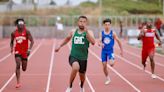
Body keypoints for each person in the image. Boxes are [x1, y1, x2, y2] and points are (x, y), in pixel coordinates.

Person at [55, 16, 95, 92]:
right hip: (73, 56)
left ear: (86, 23)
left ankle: (81, 86)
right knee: (75, 67)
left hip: (83, 58)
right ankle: (70, 86)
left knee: (82, 77)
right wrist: (60, 46)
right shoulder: (73, 31)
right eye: (80, 21)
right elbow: (67, 39)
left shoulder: (90, 32)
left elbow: (93, 42)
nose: (82, 23)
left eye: (84, 22)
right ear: (78, 22)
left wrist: (87, 34)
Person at [98, 18, 123, 85]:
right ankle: (108, 78)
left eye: (108, 25)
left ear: (110, 25)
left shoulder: (113, 33)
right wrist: (101, 44)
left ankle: (112, 59)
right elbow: (99, 42)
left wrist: (121, 50)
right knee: (104, 66)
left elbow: (118, 41)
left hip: (110, 51)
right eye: (106, 24)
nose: (107, 26)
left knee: (111, 64)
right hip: (103, 51)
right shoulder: (102, 33)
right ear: (104, 25)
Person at [10, 18, 34, 88]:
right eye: (20, 24)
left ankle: (23, 65)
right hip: (17, 51)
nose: (21, 25)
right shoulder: (14, 33)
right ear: (17, 25)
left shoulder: (27, 32)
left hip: (25, 52)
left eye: (22, 24)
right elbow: (11, 42)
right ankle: (18, 82)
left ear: (24, 24)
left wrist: (29, 50)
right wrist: (11, 48)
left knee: (24, 68)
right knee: (17, 65)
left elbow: (32, 41)